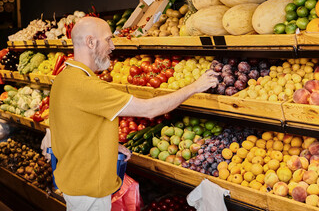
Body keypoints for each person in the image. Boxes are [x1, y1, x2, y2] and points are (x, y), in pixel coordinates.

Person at [49, 16, 219, 211]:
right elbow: (150, 110)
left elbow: (71, 126)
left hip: (74, 179)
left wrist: (107, 145)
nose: (112, 46)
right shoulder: (88, 86)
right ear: (90, 42)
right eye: (108, 39)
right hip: (89, 190)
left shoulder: (64, 77)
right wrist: (195, 86)